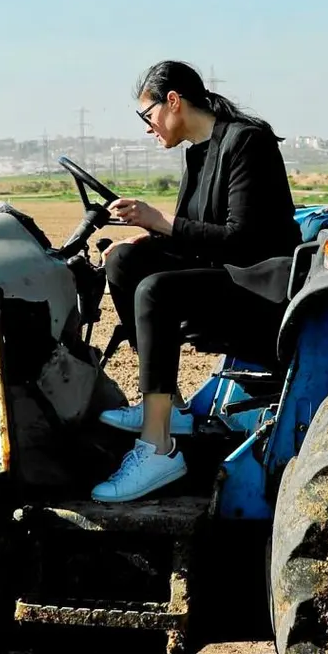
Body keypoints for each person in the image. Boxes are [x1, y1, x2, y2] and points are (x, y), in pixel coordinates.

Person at [90, 61, 302, 503]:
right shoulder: (197, 152)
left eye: (146, 115)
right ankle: (170, 407)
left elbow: (242, 241)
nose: (147, 128)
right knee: (126, 261)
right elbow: (191, 236)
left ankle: (158, 446)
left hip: (262, 287)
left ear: (173, 102)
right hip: (225, 275)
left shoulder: (247, 143)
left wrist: (161, 220)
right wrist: (144, 238)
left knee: (157, 291)